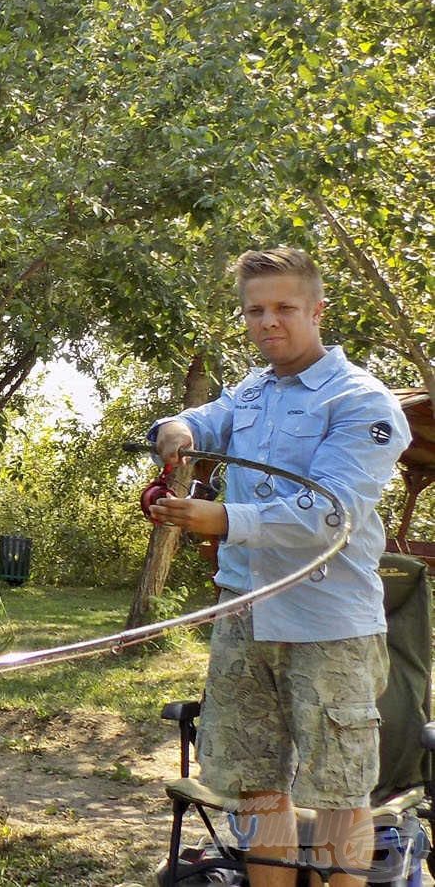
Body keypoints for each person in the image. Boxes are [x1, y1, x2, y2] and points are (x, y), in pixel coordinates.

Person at [150, 247, 409, 887]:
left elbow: (332, 513)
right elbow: (202, 421)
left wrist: (223, 520)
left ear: (317, 310)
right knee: (256, 787)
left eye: (285, 308)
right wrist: (177, 429)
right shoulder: (253, 391)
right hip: (243, 617)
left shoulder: (363, 402)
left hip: (330, 628)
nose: (269, 322)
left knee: (339, 792)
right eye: (255, 310)